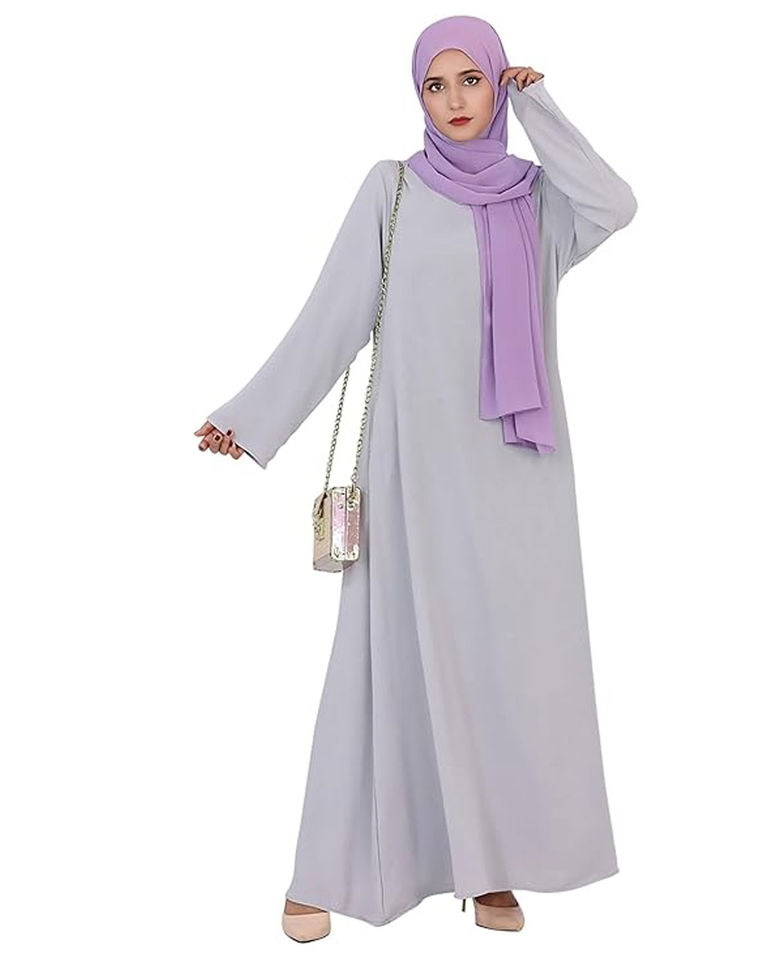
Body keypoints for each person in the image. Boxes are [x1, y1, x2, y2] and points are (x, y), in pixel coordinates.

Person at [194, 15, 637, 942]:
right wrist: (252, 417)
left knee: (513, 673)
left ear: (496, 83)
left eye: (472, 80)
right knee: (383, 663)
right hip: (416, 474)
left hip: (521, 478)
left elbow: (616, 203)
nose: (455, 100)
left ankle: (491, 868)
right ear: (419, 98)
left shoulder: (540, 202)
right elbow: (334, 317)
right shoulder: (392, 190)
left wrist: (541, 108)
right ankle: (323, 873)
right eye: (436, 85)